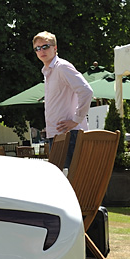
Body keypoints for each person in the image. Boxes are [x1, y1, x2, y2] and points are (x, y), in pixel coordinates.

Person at [33, 31, 93, 169]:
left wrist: (76, 120)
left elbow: (86, 91)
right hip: (56, 135)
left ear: (55, 48)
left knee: (73, 180)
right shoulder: (48, 71)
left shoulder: (62, 67)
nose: (41, 50)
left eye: (45, 46)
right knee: (63, 181)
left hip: (69, 135)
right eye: (37, 48)